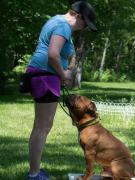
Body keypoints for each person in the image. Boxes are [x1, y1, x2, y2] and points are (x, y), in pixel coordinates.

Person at [26, 1, 97, 180]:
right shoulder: (63, 26)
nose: (83, 28)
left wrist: (64, 71)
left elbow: (59, 53)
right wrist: (63, 74)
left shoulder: (56, 21)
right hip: (45, 76)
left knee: (42, 126)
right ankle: (34, 175)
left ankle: (35, 170)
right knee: (42, 127)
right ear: (78, 16)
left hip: (44, 76)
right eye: (85, 24)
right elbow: (52, 54)